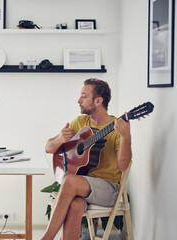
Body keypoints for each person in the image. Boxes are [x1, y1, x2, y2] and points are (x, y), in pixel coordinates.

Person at [41, 78, 132, 240]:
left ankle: (46, 238)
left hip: (108, 188)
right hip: (82, 186)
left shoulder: (116, 127)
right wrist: (60, 138)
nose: (78, 100)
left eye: (83, 96)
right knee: (75, 206)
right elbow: (48, 148)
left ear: (98, 101)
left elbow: (123, 166)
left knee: (69, 181)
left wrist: (126, 138)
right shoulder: (81, 123)